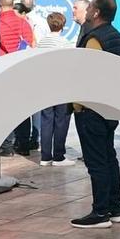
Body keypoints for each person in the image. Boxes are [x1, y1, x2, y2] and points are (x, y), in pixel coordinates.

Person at [71, 0, 120, 226]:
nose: (87, 11)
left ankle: (100, 212)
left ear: (95, 12)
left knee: (96, 162)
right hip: (110, 106)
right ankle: (116, 208)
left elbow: (87, 73)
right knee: (109, 157)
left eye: (90, 6)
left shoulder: (94, 38)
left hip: (92, 109)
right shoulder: (116, 36)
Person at [32, 11, 76, 165]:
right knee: (61, 121)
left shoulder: (42, 43)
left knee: (46, 120)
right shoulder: (65, 43)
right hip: (62, 86)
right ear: (63, 25)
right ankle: (58, 156)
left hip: (45, 86)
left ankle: (45, 157)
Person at [0, 0, 37, 156]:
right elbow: (32, 44)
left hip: (3, 68)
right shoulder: (23, 22)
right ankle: (24, 144)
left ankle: (7, 146)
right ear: (14, 4)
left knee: (5, 108)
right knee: (23, 108)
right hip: (22, 68)